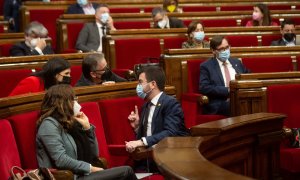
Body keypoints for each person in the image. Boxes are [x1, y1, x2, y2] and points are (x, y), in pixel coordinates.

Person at [36, 84, 138, 180]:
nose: (76, 103)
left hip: (83, 174)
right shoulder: (48, 125)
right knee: (126, 171)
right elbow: (61, 160)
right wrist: (90, 168)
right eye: (73, 99)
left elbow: (94, 155)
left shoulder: (71, 122)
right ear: (62, 103)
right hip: (70, 177)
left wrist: (87, 128)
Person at [126, 66, 189, 155]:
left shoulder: (170, 103)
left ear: (152, 84)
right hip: (149, 156)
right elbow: (148, 134)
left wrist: (141, 142)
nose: (138, 86)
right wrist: (137, 127)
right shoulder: (145, 106)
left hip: (170, 156)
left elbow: (171, 133)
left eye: (140, 82)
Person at [199, 35, 250, 116]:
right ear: (213, 51)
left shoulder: (236, 62)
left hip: (241, 98)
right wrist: (228, 90)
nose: (225, 51)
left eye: (227, 47)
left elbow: (249, 77)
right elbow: (204, 87)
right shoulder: (206, 66)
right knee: (234, 105)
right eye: (221, 49)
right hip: (221, 102)